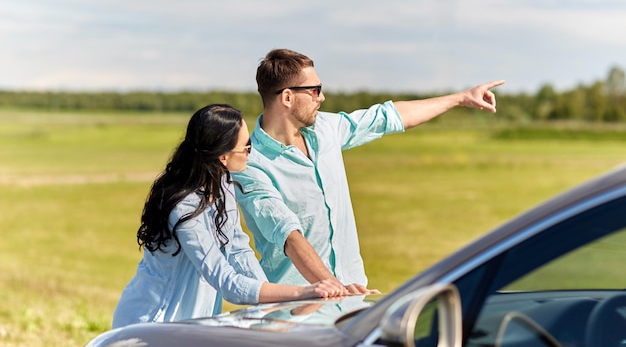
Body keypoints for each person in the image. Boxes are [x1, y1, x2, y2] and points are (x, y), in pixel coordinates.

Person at [233, 48, 504, 291]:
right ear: (288, 98)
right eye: (315, 90)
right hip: (295, 307)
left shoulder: (326, 130)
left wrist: (462, 98)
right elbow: (289, 236)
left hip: (351, 296)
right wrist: (334, 288)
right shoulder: (252, 164)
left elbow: (388, 117)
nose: (322, 97)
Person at [112, 104, 347, 329]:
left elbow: (238, 250)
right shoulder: (184, 208)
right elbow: (225, 280)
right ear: (223, 156)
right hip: (153, 323)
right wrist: (302, 292)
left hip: (191, 325)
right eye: (246, 147)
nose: (250, 152)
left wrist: (271, 300)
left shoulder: (223, 183)